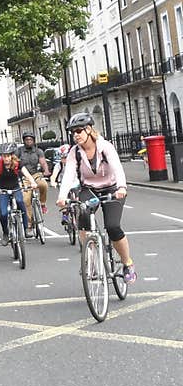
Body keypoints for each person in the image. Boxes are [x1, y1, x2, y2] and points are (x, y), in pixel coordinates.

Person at [56, 113, 137, 283]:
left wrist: (122, 187)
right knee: (83, 223)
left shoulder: (105, 146)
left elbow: (117, 167)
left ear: (89, 129)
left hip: (112, 189)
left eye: (79, 130)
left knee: (113, 226)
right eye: (73, 132)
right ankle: (91, 262)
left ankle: (127, 263)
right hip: (89, 190)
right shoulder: (74, 152)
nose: (76, 135)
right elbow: (69, 174)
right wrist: (62, 196)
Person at [0, 143, 37, 246]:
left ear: (12, 155)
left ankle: (25, 229)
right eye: (4, 156)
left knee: (21, 202)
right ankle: (6, 233)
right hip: (3, 190)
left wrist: (32, 182)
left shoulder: (17, 163)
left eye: (8, 155)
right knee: (3, 213)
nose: (6, 158)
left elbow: (27, 174)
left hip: (16, 188)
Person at [16, 132, 51, 229]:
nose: (29, 141)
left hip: (36, 174)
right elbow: (15, 161)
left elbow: (43, 162)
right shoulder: (19, 151)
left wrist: (46, 171)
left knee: (44, 184)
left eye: (30, 140)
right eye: (27, 140)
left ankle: (42, 204)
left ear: (34, 141)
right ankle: (29, 223)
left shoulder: (38, 151)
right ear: (24, 141)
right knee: (26, 200)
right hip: (24, 177)